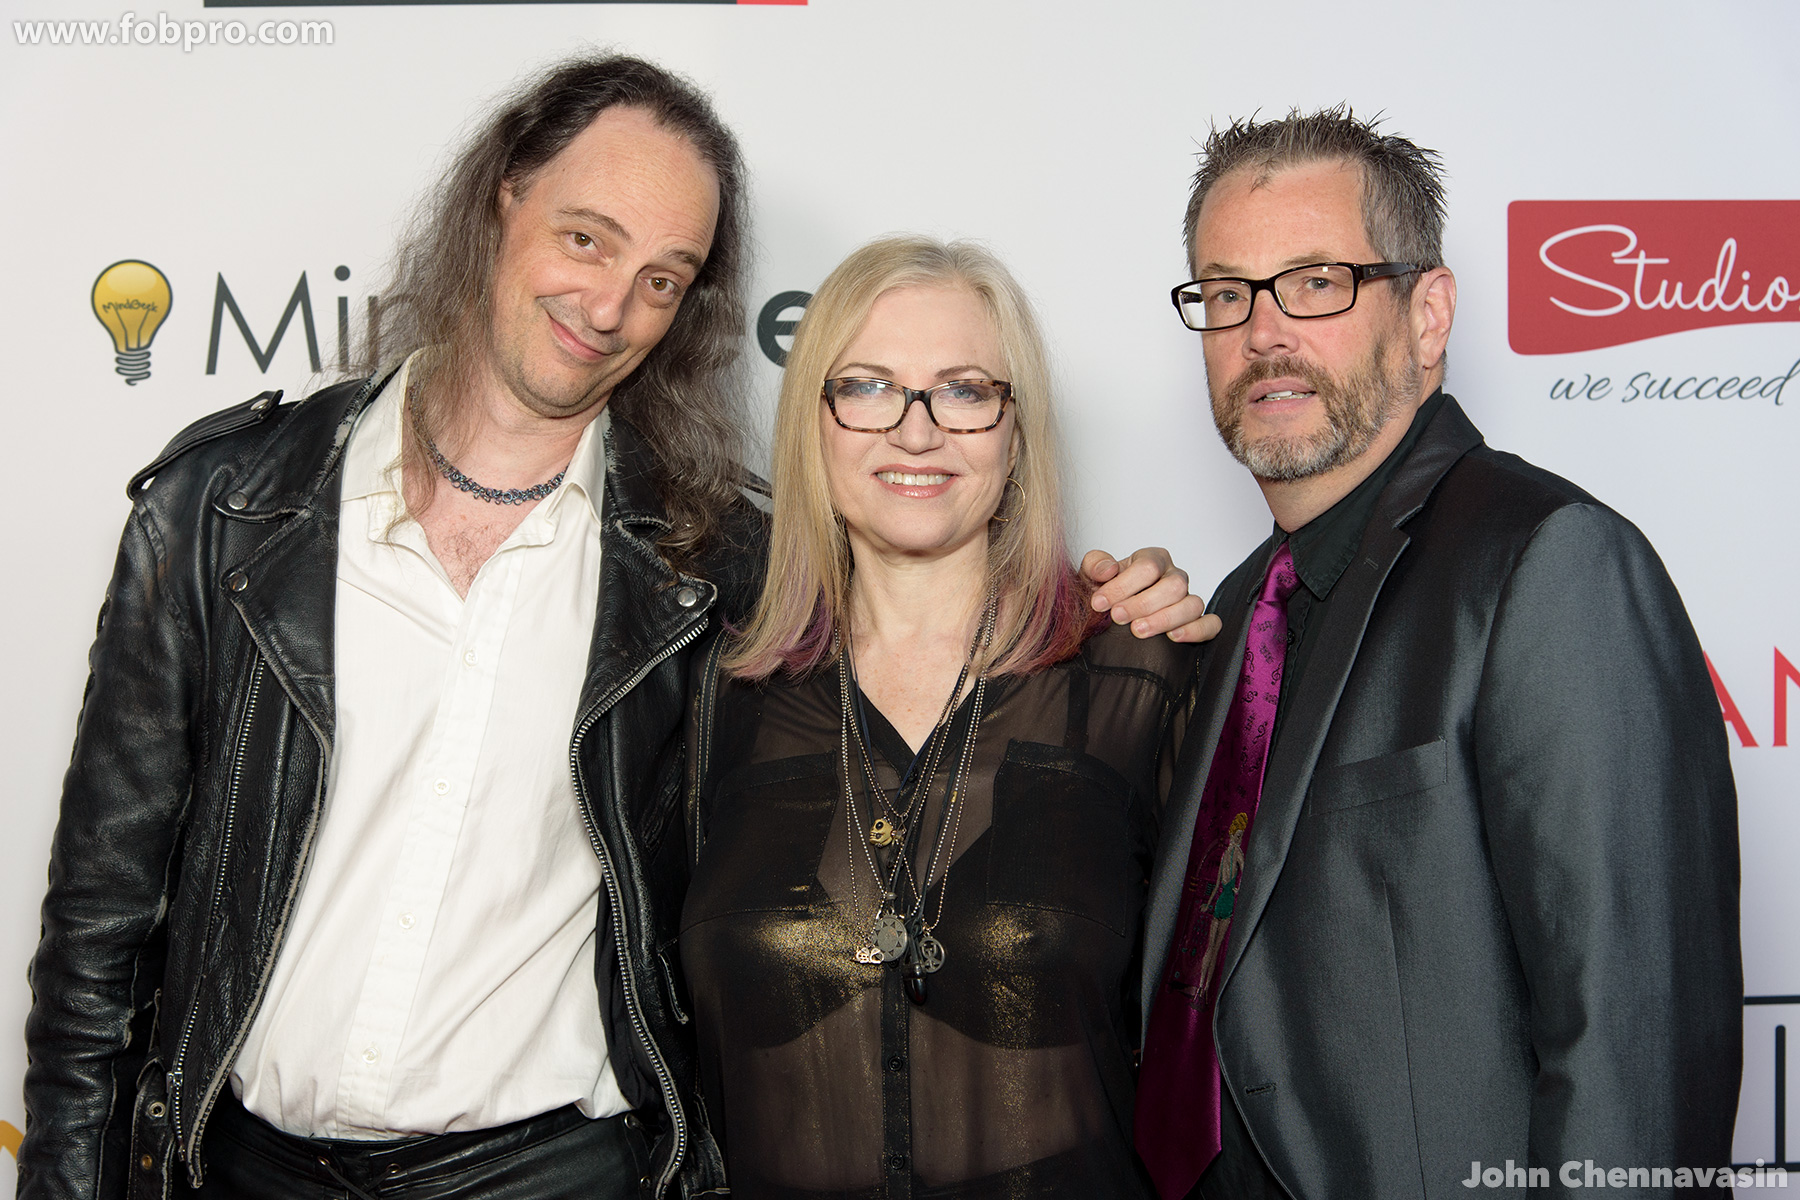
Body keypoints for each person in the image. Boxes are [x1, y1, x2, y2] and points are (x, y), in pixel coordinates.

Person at [19, 56, 1205, 1200]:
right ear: (501, 198)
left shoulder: (708, 572)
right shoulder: (228, 507)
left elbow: (934, 597)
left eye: (663, 277)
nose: (608, 305)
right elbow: (98, 929)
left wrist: (1117, 595)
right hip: (240, 1164)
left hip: (561, 1171)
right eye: (587, 238)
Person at [1133, 109, 1742, 1200]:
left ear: (1427, 314)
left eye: (1316, 283)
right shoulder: (1235, 610)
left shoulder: (1549, 561)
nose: (1263, 333)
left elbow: (1637, 1050)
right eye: (1226, 294)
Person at [681, 235, 1200, 1200]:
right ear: (813, 425)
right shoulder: (715, 696)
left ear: (1016, 434)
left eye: (963, 391)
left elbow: (1224, 1036)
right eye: (868, 387)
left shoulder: (1137, 678)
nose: (916, 433)